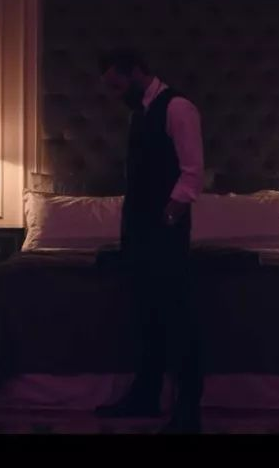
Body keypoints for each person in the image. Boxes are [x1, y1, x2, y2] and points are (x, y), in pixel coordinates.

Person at [93, 48, 205, 434]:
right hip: (140, 231)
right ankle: (145, 395)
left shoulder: (178, 108)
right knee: (147, 317)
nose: (114, 94)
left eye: (117, 85)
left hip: (164, 231)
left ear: (137, 72)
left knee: (177, 318)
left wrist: (169, 217)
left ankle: (188, 411)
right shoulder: (140, 111)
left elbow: (192, 172)